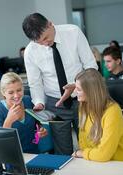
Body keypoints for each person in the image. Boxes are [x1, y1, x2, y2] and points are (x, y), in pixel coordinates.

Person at [22, 13, 98, 155]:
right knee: (62, 151)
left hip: (83, 99)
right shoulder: (30, 51)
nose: (45, 43)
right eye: (39, 42)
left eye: (45, 38)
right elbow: (35, 83)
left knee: (90, 144)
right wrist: (39, 103)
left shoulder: (73, 33)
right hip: (55, 105)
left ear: (50, 24)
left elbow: (91, 66)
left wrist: (77, 85)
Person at [72, 68, 123, 161]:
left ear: (91, 92)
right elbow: (83, 143)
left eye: (79, 89)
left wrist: (82, 153)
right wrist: (85, 154)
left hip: (116, 165)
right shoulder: (83, 107)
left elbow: (104, 154)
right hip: (95, 162)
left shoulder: (113, 111)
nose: (75, 91)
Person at [0, 72, 47, 154]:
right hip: (14, 158)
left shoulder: (27, 100)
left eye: (19, 90)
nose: (16, 95)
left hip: (35, 154)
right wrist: (9, 120)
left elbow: (36, 123)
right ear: (3, 93)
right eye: (11, 92)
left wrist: (41, 130)